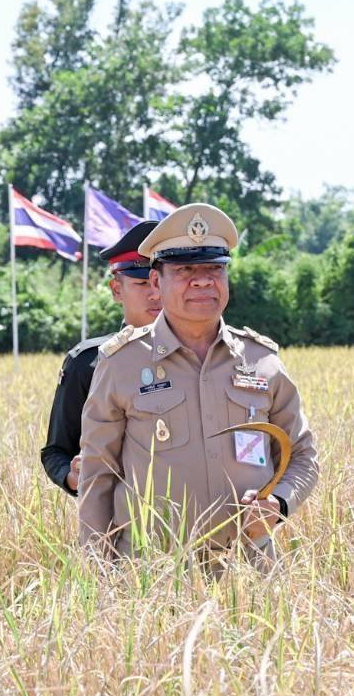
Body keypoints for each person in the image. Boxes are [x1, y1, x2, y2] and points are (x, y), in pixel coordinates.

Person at [77, 202, 319, 565]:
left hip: (249, 572)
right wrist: (96, 569)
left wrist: (279, 503)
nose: (203, 280)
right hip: (153, 574)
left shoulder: (262, 359)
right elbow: (98, 474)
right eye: (185, 269)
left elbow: (302, 455)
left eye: (214, 268)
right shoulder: (121, 363)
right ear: (156, 282)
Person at [41, 220, 162, 494]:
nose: (155, 294)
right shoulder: (89, 362)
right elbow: (56, 451)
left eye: (161, 282)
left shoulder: (206, 356)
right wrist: (73, 476)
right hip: (118, 511)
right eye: (143, 283)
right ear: (117, 290)